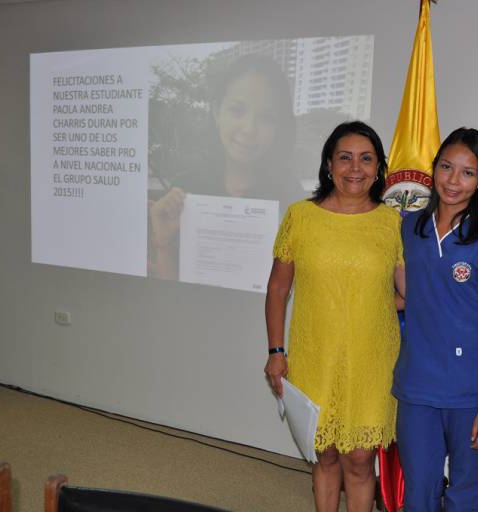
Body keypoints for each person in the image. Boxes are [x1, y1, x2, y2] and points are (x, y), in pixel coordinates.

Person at [264, 121, 405, 512]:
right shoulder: (301, 217)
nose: (354, 167)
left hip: (372, 359)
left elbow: (410, 294)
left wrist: (371, 302)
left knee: (360, 460)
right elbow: (278, 290)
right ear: (329, 164)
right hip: (315, 355)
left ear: (379, 168)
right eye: (345, 157)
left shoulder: (391, 223)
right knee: (324, 454)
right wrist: (276, 350)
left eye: (366, 158)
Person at [393, 128, 478, 511]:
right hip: (417, 386)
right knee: (418, 494)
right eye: (447, 166)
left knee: (464, 494)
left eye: (467, 172)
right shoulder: (408, 227)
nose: (453, 180)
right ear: (434, 169)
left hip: (469, 391)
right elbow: (409, 297)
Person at [148, 53, 298, 279]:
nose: (249, 129)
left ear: (279, 128)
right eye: (237, 110)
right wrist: (164, 243)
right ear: (216, 111)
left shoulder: (294, 200)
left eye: (266, 117)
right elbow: (170, 296)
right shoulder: (185, 189)